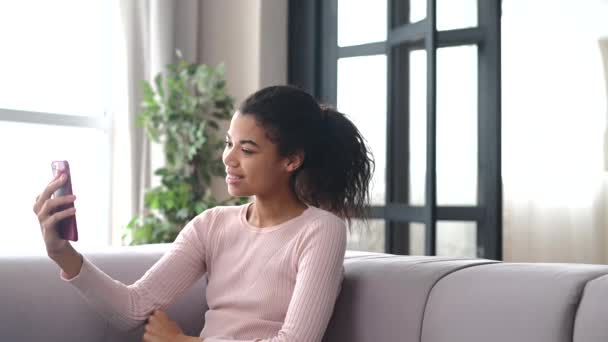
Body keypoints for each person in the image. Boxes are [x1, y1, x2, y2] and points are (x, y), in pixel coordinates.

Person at [33, 85, 374, 342]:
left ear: (291, 160)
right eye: (229, 143)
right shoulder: (212, 224)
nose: (229, 158)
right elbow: (132, 308)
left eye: (247, 149)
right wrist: (61, 252)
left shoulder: (320, 230)